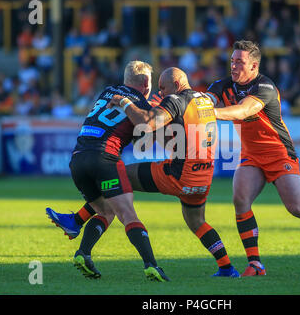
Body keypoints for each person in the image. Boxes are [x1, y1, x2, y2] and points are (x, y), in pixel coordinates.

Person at [50, 67, 240, 278]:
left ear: (176, 85)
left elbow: (147, 123)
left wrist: (126, 103)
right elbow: (171, 139)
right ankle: (227, 267)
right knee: (197, 222)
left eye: (163, 87)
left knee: (119, 177)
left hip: (177, 175)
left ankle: (76, 221)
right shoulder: (203, 99)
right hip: (203, 177)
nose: (161, 92)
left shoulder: (175, 100)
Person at [205, 40, 300, 276]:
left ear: (254, 66)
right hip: (251, 155)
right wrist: (196, 104)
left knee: (298, 208)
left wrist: (209, 112)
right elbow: (207, 100)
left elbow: (243, 110)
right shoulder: (222, 85)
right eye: (232, 61)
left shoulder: (265, 87)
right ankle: (255, 264)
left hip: (279, 152)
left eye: (240, 62)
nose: (234, 66)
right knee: (240, 199)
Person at [46, 61, 169, 282]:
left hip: (77, 160)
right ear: (145, 82)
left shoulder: (107, 91)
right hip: (105, 159)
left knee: (105, 211)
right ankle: (151, 265)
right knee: (127, 214)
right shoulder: (140, 103)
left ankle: (82, 250)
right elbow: (146, 140)